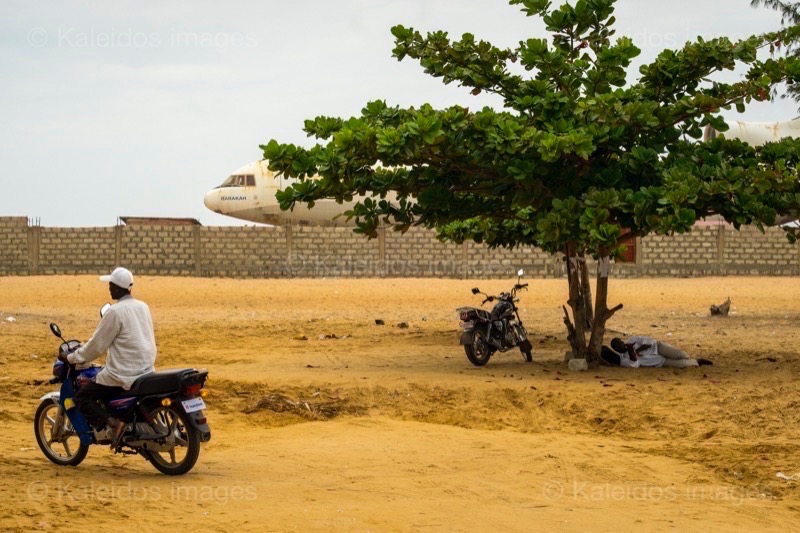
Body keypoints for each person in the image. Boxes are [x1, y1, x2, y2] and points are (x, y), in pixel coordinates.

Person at [61, 267, 157, 447]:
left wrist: (72, 357)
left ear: (118, 287)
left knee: (82, 397)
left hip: (123, 373)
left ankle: (113, 424)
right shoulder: (143, 306)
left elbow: (96, 347)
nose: (109, 288)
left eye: (111, 285)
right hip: (146, 369)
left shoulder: (114, 312)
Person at [604, 336, 711, 369]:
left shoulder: (632, 340)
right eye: (618, 347)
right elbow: (635, 364)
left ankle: (690, 359)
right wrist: (631, 352)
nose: (621, 346)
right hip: (659, 362)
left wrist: (637, 350)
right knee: (681, 364)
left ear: (623, 341)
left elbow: (648, 343)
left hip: (658, 347)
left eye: (620, 343)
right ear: (616, 350)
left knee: (681, 354)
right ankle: (697, 361)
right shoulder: (624, 358)